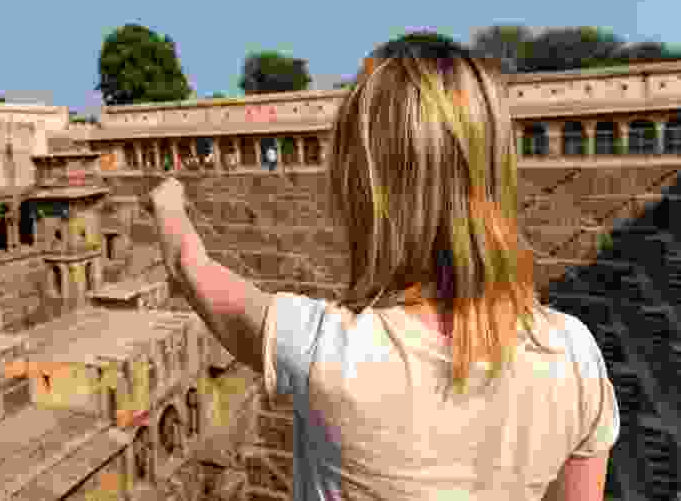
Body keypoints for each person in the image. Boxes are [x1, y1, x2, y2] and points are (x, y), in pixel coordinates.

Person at [144, 32, 619, 501]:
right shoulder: (575, 357)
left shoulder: (319, 349)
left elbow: (190, 268)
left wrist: (168, 203)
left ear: (362, 188)